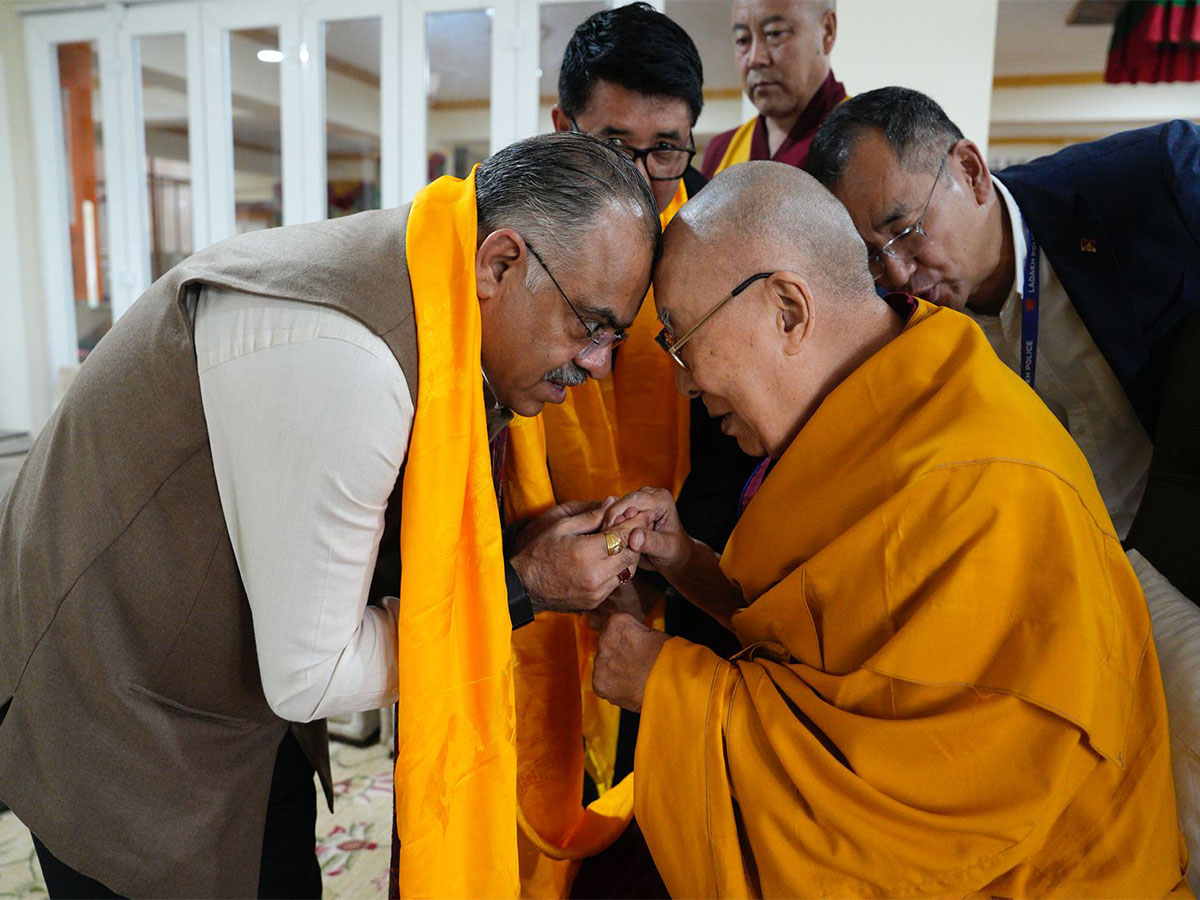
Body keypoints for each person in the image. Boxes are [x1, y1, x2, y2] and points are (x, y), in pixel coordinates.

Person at [0, 132, 658, 899]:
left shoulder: (432, 271)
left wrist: (512, 550)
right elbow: (312, 676)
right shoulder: (350, 360)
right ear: (500, 263)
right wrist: (519, 587)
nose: (600, 363)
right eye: (592, 324)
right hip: (118, 703)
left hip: (237, 675)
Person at [589, 161, 1190, 896]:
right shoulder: (886, 402)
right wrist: (686, 562)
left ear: (786, 310)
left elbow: (922, 806)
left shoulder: (985, 483)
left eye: (683, 341)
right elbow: (839, 647)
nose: (685, 381)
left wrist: (666, 684)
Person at [501, 10, 753, 894]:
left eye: (667, 150)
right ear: (564, 127)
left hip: (673, 611)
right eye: (615, 146)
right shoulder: (506, 263)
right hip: (525, 603)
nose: (646, 181)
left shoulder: (716, 264)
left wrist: (659, 568)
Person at [806, 87, 1200, 601]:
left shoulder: (1149, 180)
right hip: (1077, 582)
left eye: (905, 231)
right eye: (873, 257)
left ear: (970, 172)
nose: (897, 273)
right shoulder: (895, 326)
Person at [701, 0, 845, 179]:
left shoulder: (862, 144)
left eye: (774, 34)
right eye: (743, 40)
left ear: (827, 31)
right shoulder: (722, 151)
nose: (755, 58)